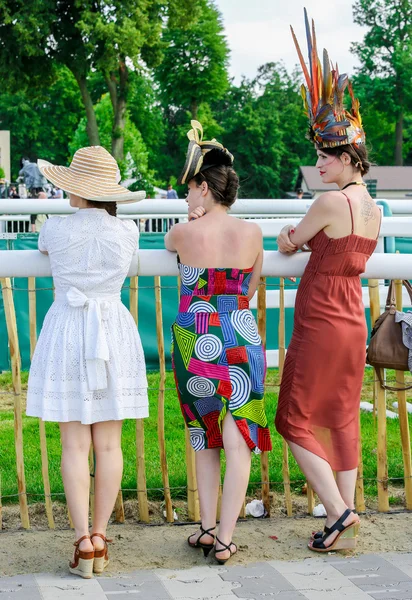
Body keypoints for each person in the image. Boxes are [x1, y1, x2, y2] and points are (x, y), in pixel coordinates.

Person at [275, 11, 381, 553]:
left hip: (319, 317)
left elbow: (289, 241)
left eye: (323, 156)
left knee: (292, 418)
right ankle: (346, 515)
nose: (317, 165)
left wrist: (292, 237)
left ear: (345, 157)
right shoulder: (374, 208)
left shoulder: (328, 201)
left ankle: (339, 516)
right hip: (353, 318)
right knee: (341, 415)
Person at [26, 146, 149, 577]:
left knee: (74, 444)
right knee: (109, 444)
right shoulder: (127, 231)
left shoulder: (55, 229)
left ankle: (82, 541)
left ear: (76, 190)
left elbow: (46, 249)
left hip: (69, 328)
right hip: (112, 330)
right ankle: (100, 534)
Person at [165, 121, 272, 565]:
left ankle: (206, 529)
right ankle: (226, 538)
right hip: (241, 334)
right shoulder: (252, 234)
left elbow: (176, 244)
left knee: (203, 436)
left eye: (190, 190)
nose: (186, 197)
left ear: (204, 189)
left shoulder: (182, 234)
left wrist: (191, 222)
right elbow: (251, 284)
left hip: (197, 338)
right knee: (238, 437)